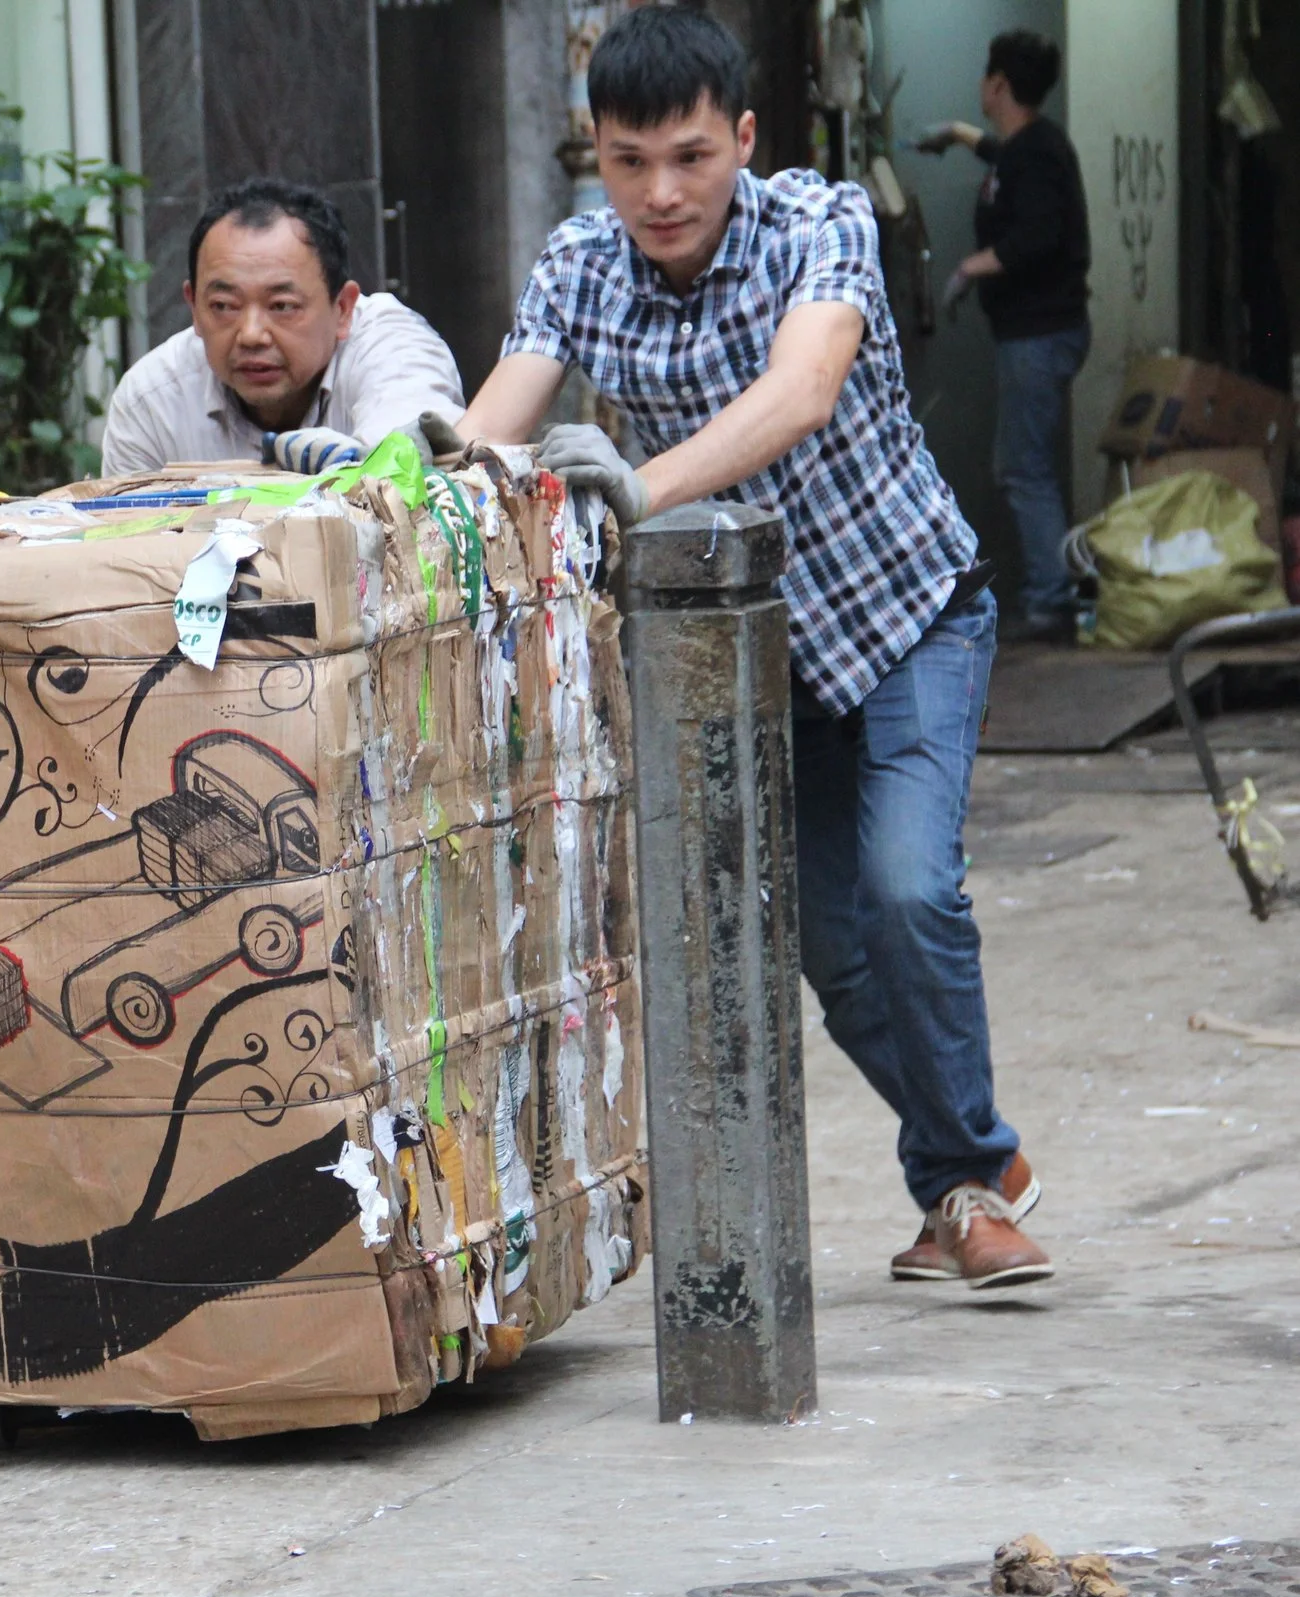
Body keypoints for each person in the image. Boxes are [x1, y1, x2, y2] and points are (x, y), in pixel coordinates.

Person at [459, 6, 1051, 1288]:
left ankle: (962, 1172)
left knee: (907, 890)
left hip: (911, 617)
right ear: (595, 155)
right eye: (629, 162)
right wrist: (388, 470)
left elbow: (801, 391)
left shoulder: (819, 222)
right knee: (832, 954)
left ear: (741, 137)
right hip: (765, 663)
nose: (661, 193)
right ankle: (972, 1172)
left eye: (689, 157)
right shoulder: (577, 263)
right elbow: (488, 434)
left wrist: (637, 486)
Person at [99, 178, 465, 477]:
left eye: (282, 306)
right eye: (224, 306)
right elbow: (122, 536)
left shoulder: (392, 348)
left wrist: (360, 464)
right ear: (193, 306)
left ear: (342, 308)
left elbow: (408, 445)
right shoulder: (153, 401)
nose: (251, 335)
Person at [919, 31, 1093, 644]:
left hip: (1041, 332)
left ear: (997, 84)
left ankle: (1051, 601)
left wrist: (970, 268)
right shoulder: (1024, 146)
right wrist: (958, 135)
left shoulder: (1038, 152)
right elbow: (1000, 152)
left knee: (1025, 470)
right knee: (1021, 465)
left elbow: (1038, 236)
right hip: (1032, 332)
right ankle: (1051, 592)